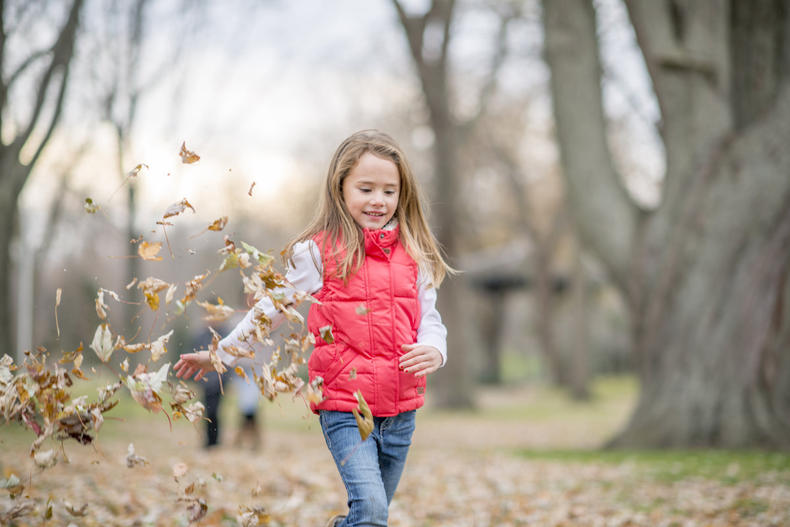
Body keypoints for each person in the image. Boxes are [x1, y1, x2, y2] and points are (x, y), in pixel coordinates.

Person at [175, 129, 451, 527]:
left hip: (400, 409)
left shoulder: (414, 253)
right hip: (343, 403)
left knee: (370, 516)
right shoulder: (317, 253)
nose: (378, 200)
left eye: (389, 191)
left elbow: (430, 318)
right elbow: (270, 309)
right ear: (341, 189)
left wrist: (435, 349)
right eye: (366, 188)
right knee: (372, 512)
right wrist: (221, 354)